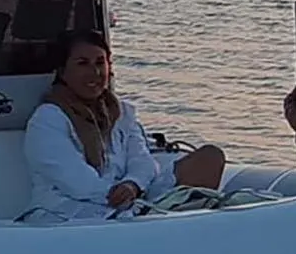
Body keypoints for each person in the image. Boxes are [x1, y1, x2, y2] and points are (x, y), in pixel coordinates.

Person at [24, 29, 228, 219]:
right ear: (62, 71)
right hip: (71, 209)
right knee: (144, 212)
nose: (94, 72)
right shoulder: (48, 120)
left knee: (210, 158)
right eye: (82, 63)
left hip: (129, 197)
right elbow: (77, 183)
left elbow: (142, 160)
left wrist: (133, 185)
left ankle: (173, 217)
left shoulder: (120, 112)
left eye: (100, 62)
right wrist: (124, 197)